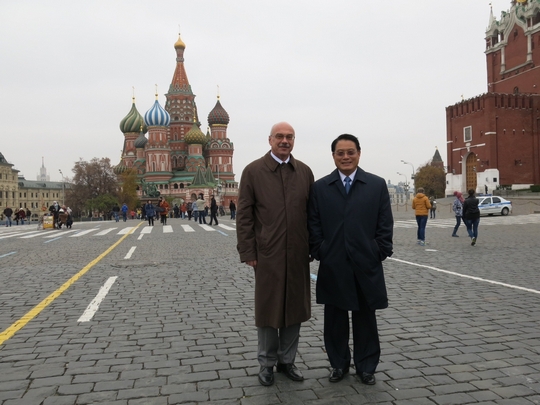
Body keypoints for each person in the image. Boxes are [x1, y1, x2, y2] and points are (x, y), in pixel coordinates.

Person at [308, 133, 393, 386]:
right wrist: (321, 250)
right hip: (333, 264)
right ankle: (338, 364)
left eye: (350, 152)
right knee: (335, 319)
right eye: (340, 153)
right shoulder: (321, 187)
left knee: (365, 318)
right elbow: (313, 224)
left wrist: (378, 250)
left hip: (365, 263)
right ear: (333, 156)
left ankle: (366, 366)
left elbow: (385, 223)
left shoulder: (376, 185)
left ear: (359, 153)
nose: (346, 157)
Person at [237, 122, 314, 387]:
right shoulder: (253, 171)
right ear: (269, 139)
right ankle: (267, 364)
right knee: (269, 310)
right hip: (267, 253)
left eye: (289, 137)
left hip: (297, 253)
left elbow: (311, 215)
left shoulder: (304, 172)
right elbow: (244, 215)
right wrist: (248, 251)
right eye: (279, 137)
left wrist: (312, 246)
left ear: (294, 140)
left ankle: (287, 361)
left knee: (295, 308)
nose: (284, 141)